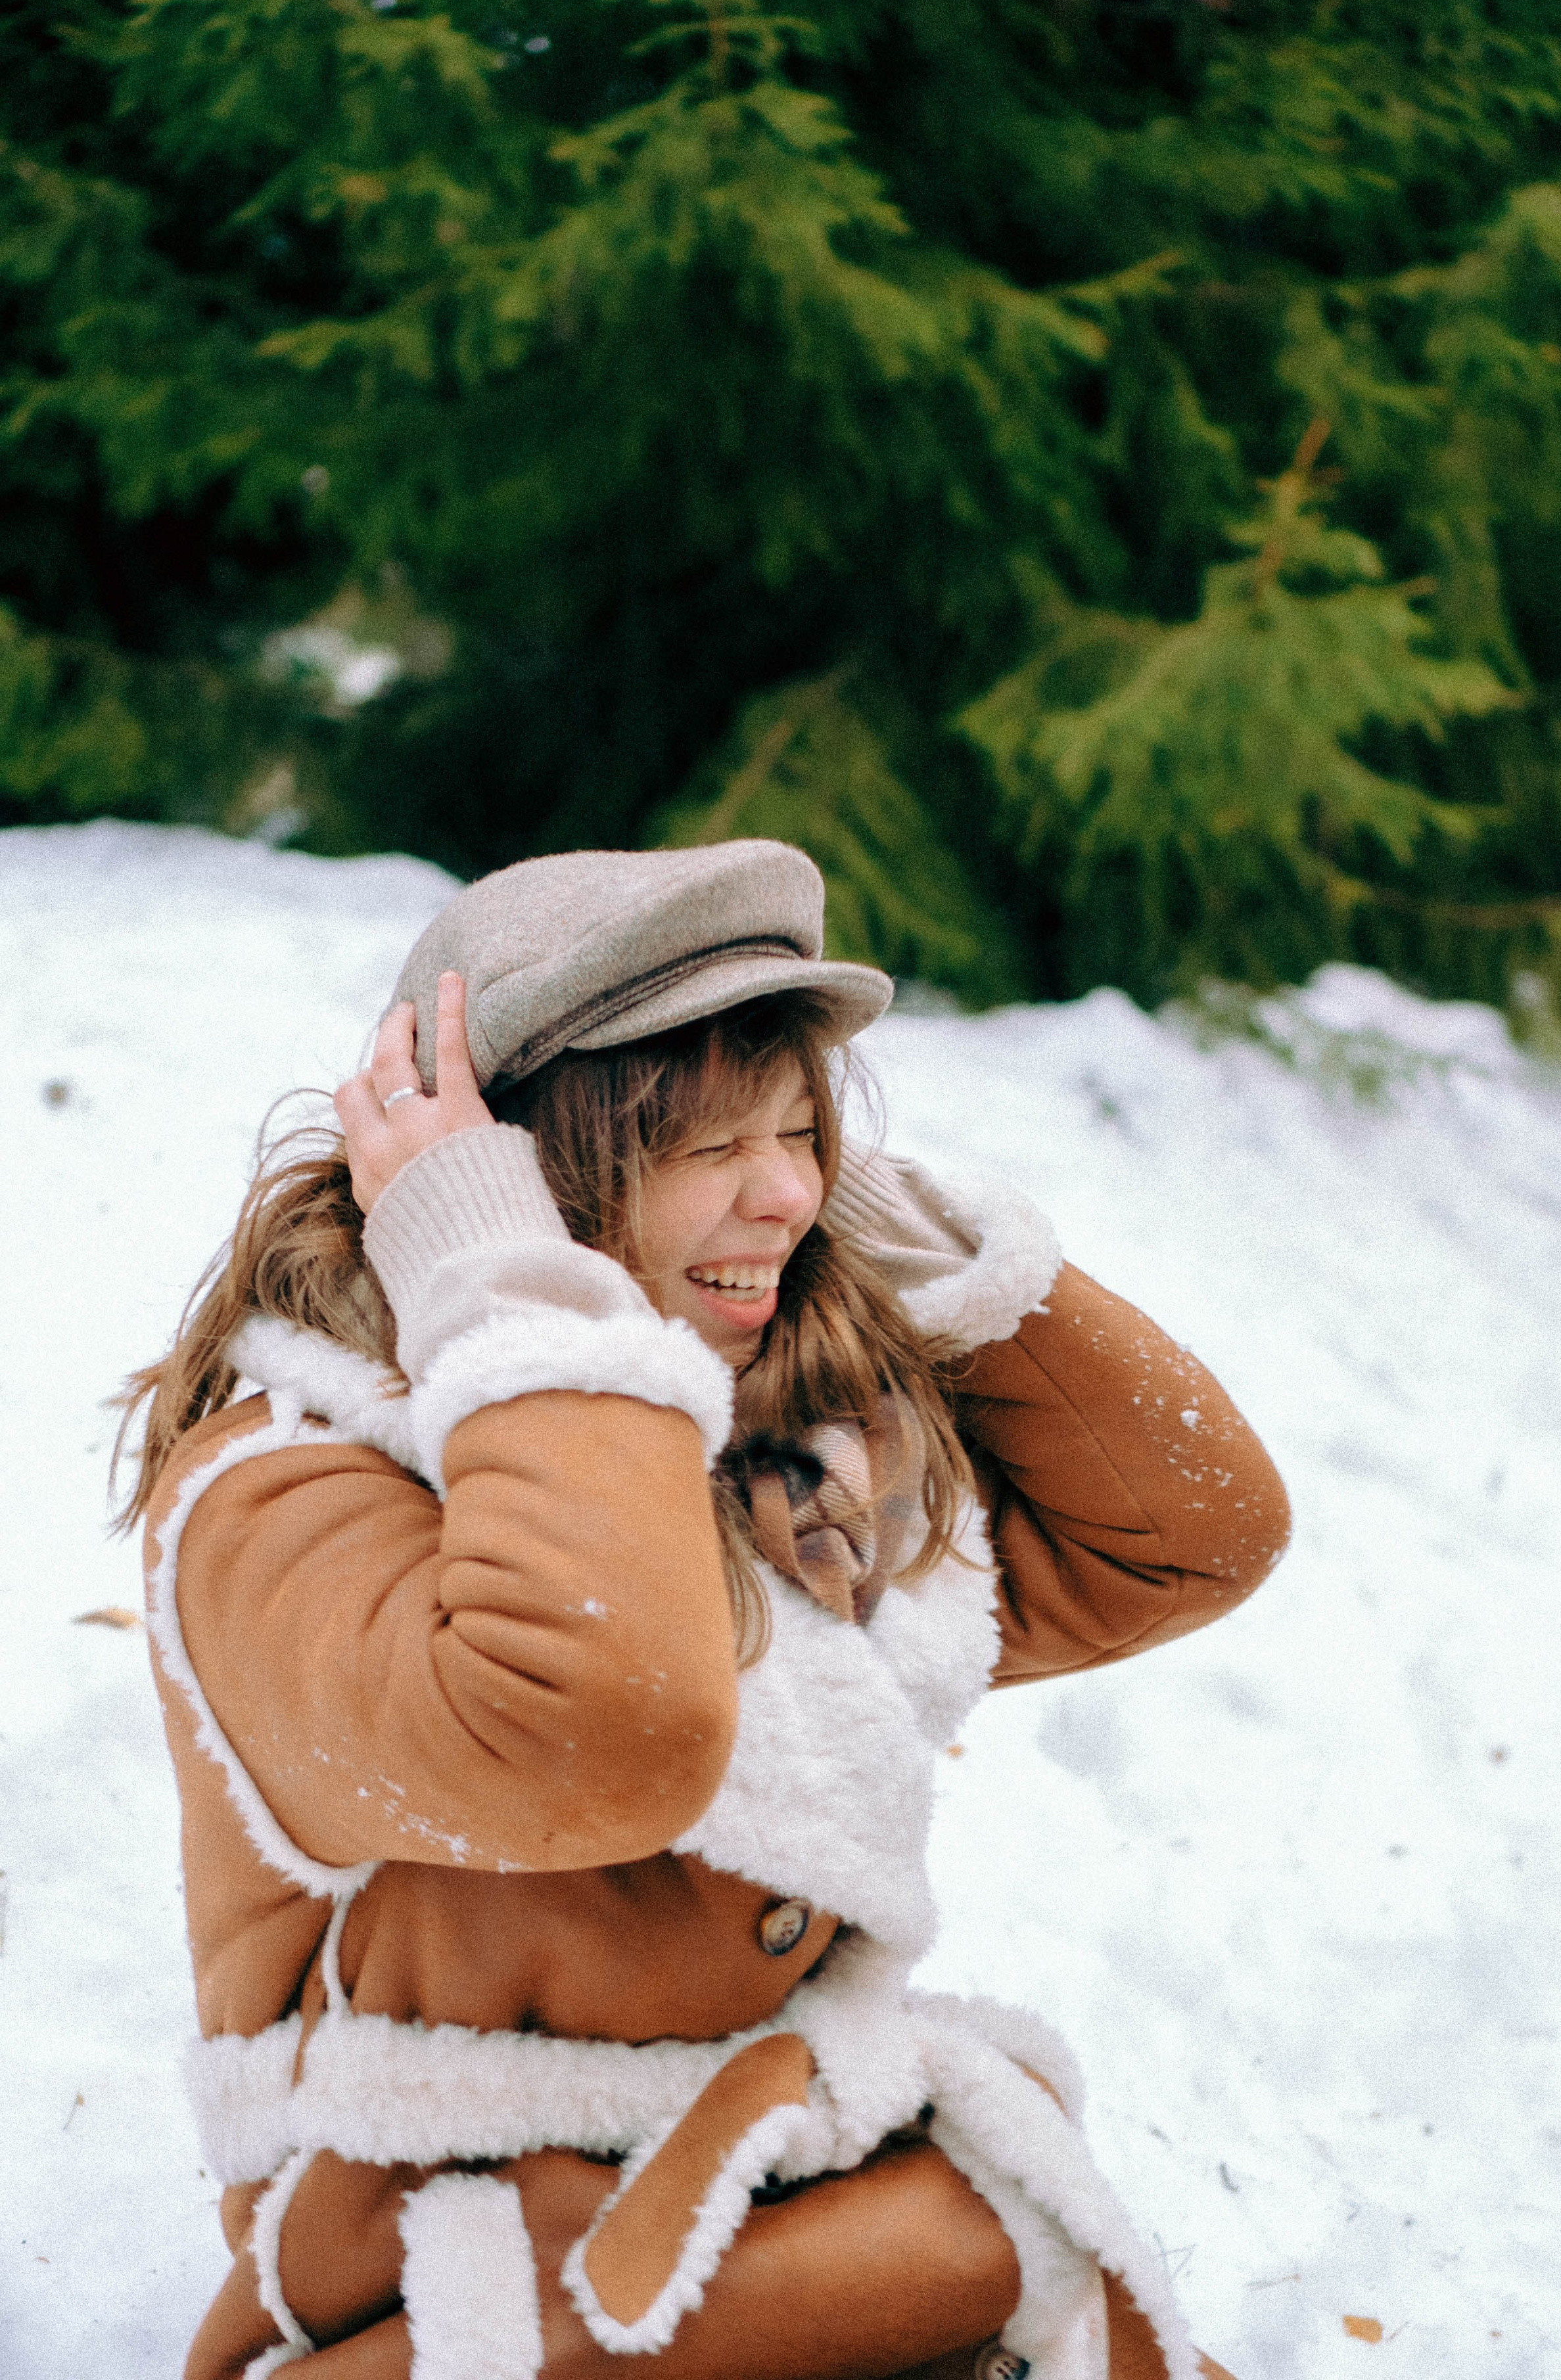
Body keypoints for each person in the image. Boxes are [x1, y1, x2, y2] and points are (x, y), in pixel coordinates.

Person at [120, 838, 1290, 2380]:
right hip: (471, 2303)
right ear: (506, 1175)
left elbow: (1185, 1533)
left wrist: (879, 1233)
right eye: (706, 1147)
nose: (790, 1190)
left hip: (818, 2241)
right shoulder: (279, 1495)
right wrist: (509, 1287)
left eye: (804, 1130)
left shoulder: (772, 1453)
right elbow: (602, 1731)